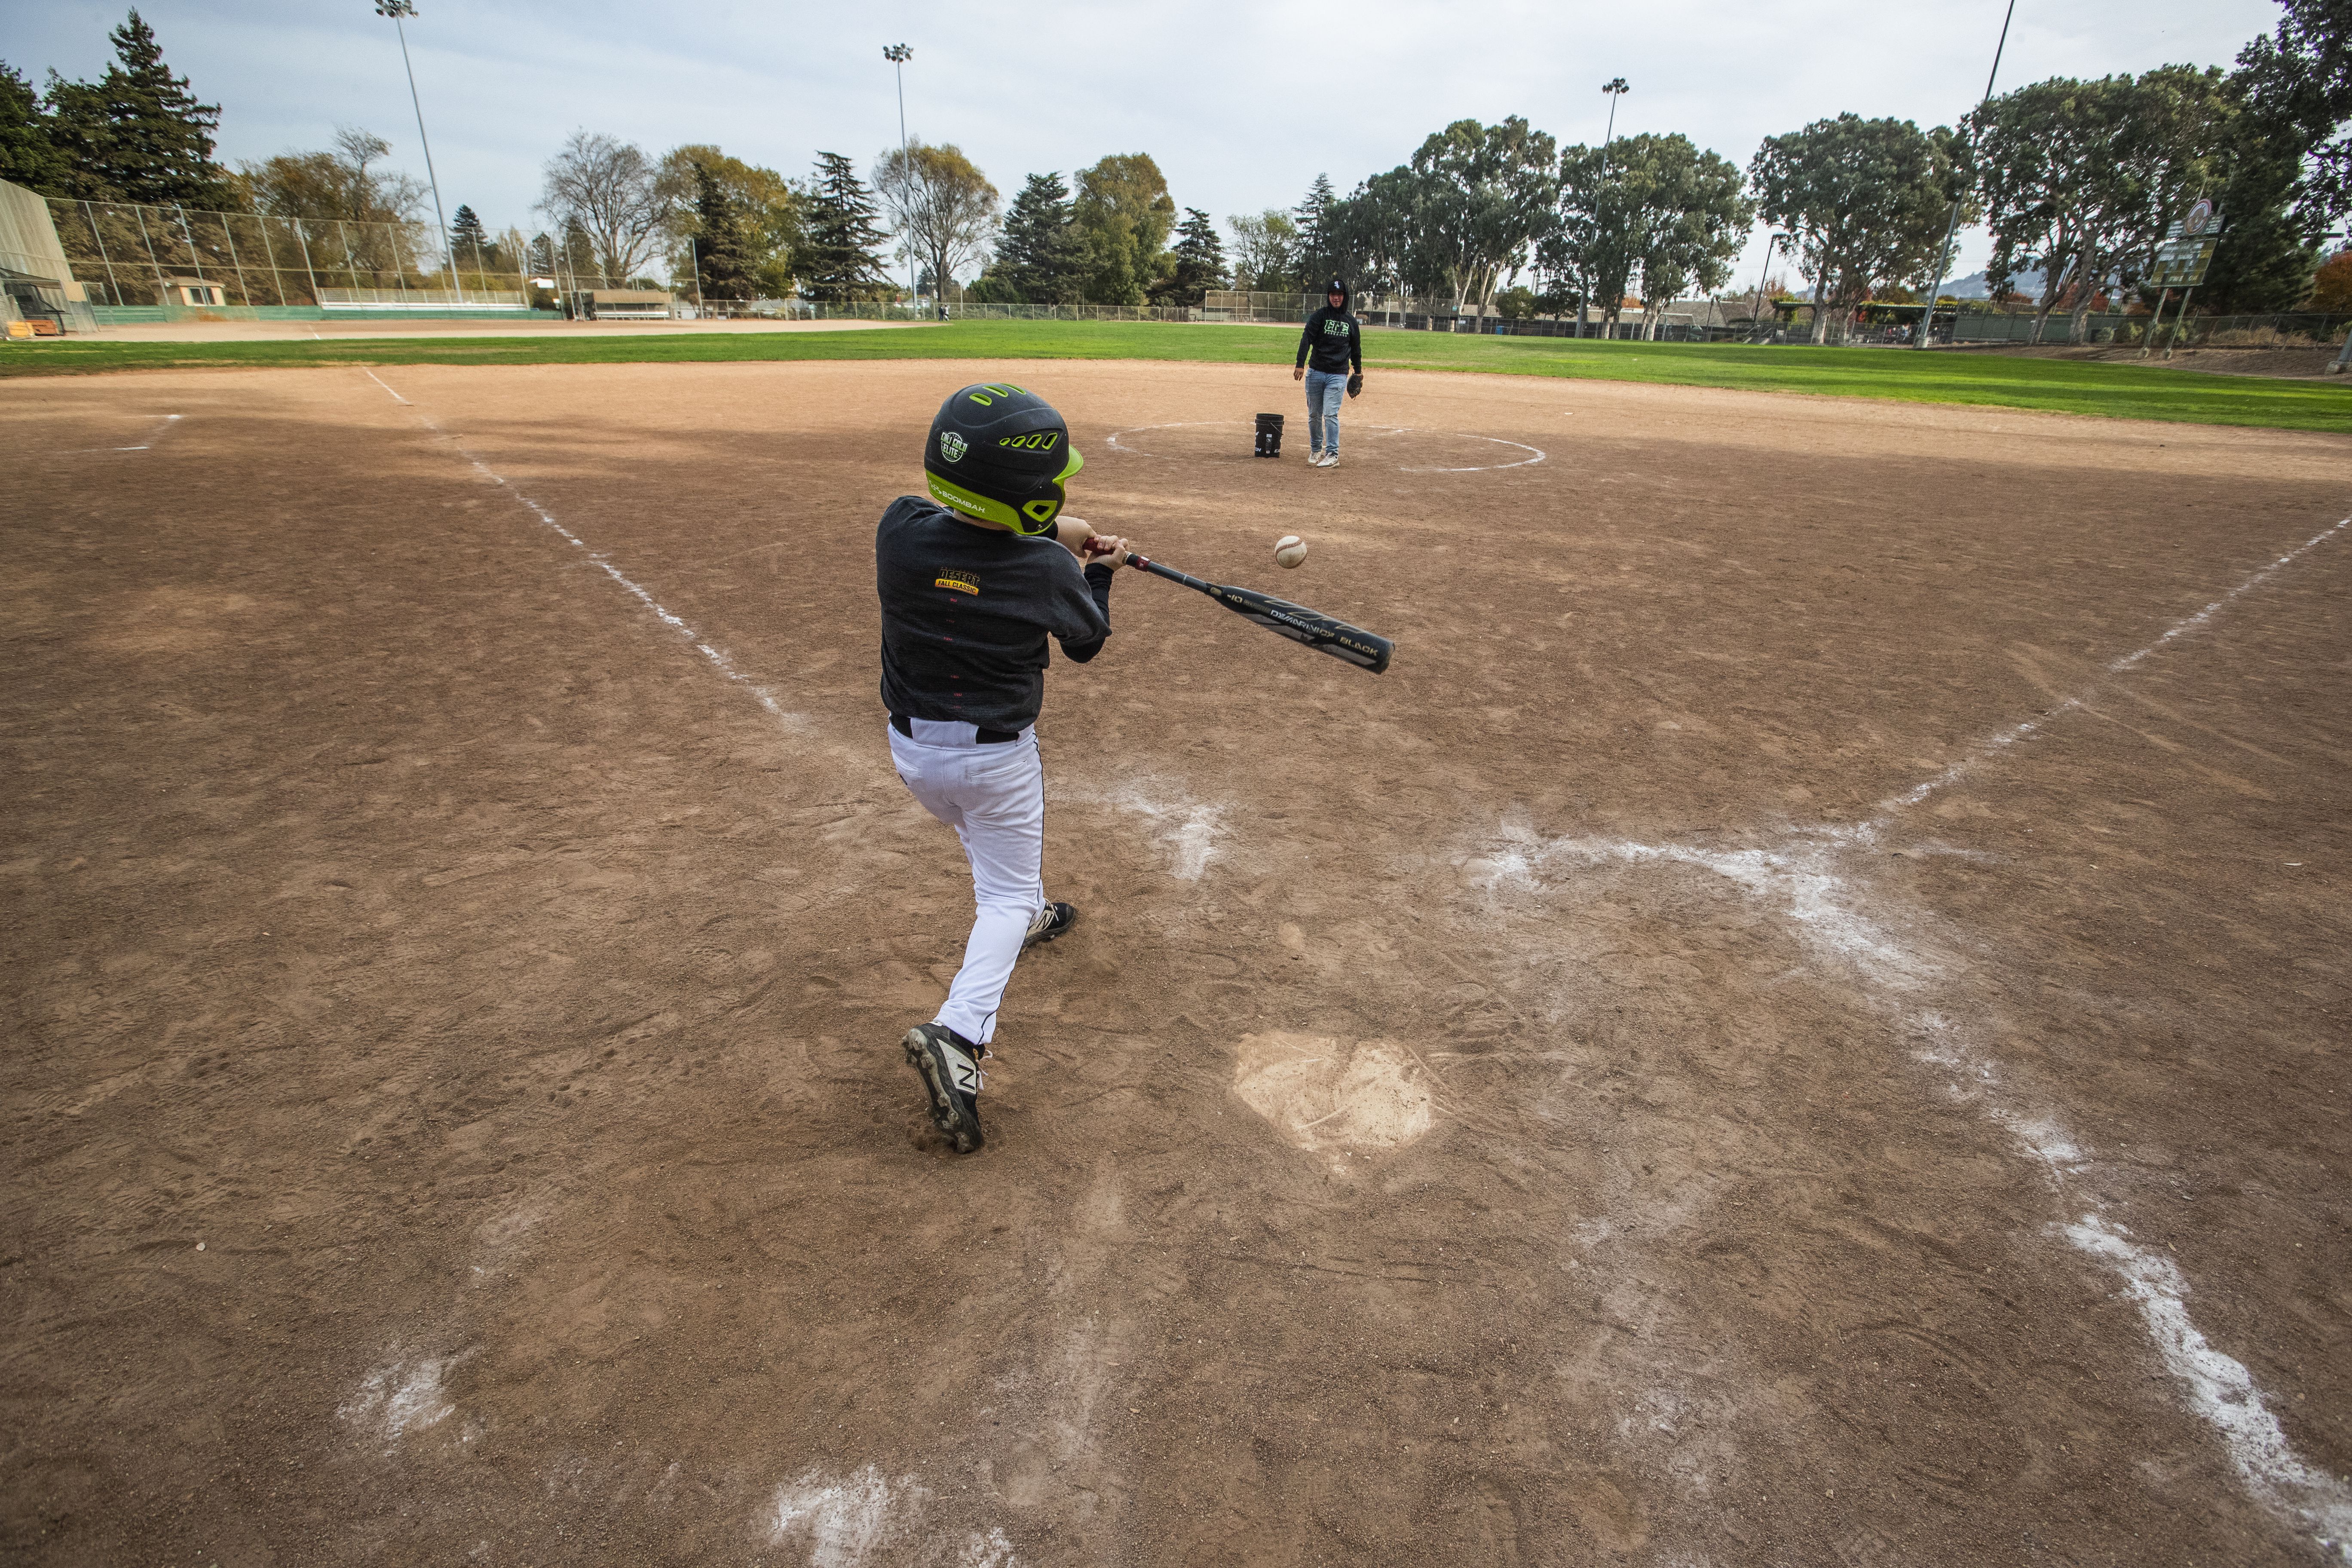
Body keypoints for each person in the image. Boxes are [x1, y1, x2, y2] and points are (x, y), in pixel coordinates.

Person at [875, 382, 1133, 1154]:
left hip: (914, 756)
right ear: (1027, 501)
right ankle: (959, 1034)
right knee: (1005, 892)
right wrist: (1099, 566)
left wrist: (1053, 532)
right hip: (994, 762)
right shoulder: (1044, 572)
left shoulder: (898, 530)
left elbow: (973, 544)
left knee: (992, 850)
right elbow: (1086, 641)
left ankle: (1029, 909)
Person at [1293, 278, 1363, 468]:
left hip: (1338, 375)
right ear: (1328, 297)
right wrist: (1300, 363)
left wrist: (1358, 372)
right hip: (1316, 372)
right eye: (1333, 295)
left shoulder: (1351, 322)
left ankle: (1332, 453)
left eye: (1339, 295)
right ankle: (1316, 449)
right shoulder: (1320, 316)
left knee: (1331, 414)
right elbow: (1306, 337)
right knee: (1315, 414)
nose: (1336, 298)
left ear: (1345, 297)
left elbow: (1356, 349)